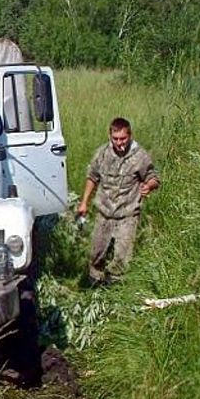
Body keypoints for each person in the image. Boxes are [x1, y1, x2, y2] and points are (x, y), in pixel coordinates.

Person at [76, 117, 160, 285]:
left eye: (123, 138)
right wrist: (84, 202)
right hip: (104, 212)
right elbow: (92, 176)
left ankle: (115, 288)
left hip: (128, 214)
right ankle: (95, 284)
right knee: (97, 253)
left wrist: (149, 186)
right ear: (110, 136)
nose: (119, 142)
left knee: (122, 256)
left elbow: (154, 178)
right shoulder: (102, 153)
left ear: (130, 136)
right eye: (115, 139)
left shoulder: (140, 156)